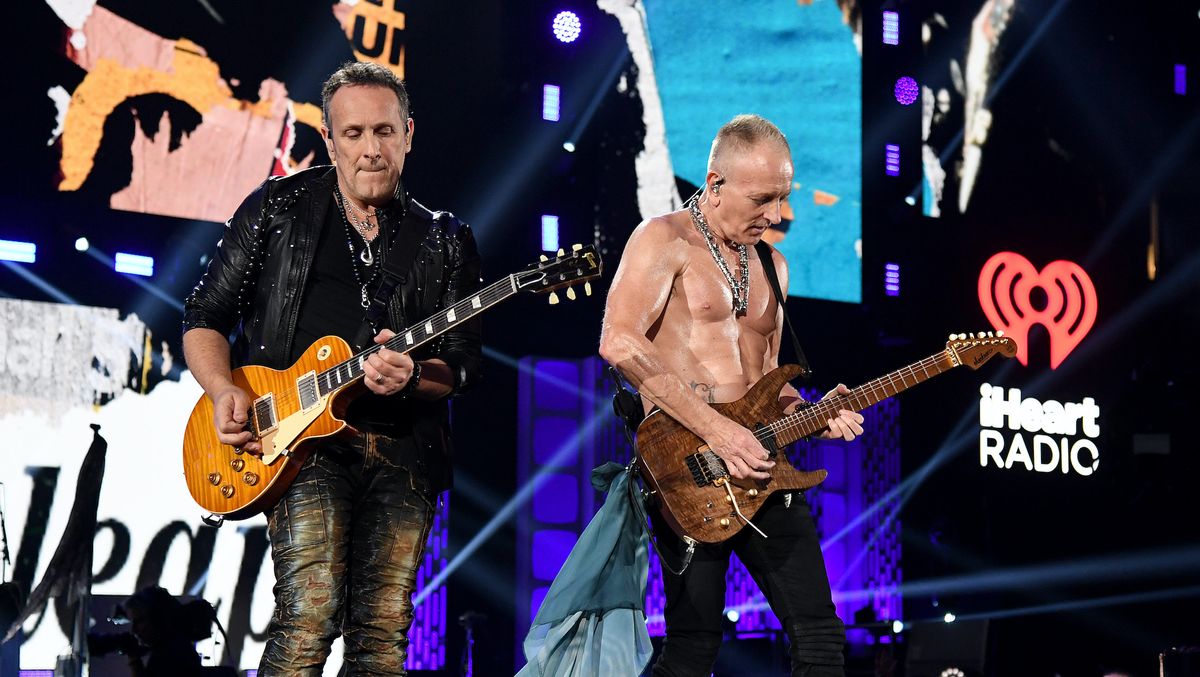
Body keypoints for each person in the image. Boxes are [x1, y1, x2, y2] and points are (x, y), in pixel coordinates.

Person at [182, 61, 481, 675]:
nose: (370, 150)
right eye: (353, 134)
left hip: (406, 453)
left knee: (382, 633)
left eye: (384, 132)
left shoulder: (445, 240)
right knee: (309, 618)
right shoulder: (277, 208)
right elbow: (204, 316)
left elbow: (462, 367)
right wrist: (219, 390)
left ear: (408, 133)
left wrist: (413, 377)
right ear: (328, 137)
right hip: (300, 442)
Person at [598, 114, 864, 677]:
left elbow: (767, 380)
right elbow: (617, 341)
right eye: (762, 199)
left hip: (762, 468)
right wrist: (720, 430)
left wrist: (812, 413)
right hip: (686, 468)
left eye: (783, 199)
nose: (775, 215)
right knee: (695, 644)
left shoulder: (774, 264)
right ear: (715, 184)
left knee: (819, 635)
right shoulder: (663, 238)